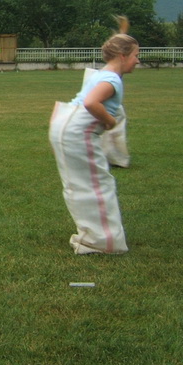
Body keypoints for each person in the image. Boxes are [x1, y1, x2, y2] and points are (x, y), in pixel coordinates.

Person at [48, 16, 140, 255]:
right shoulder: (111, 79)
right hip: (77, 131)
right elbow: (91, 102)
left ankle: (96, 238)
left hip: (64, 125)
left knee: (80, 185)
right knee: (97, 185)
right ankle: (102, 242)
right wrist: (110, 121)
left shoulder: (102, 73)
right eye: (135, 55)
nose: (138, 61)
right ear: (122, 56)